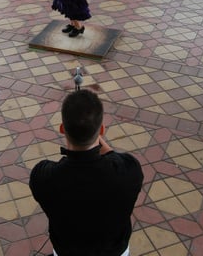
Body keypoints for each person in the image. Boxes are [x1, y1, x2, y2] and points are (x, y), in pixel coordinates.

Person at [29, 89, 144, 256]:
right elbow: (114, 157)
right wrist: (93, 135)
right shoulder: (129, 170)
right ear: (102, 129)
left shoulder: (43, 177)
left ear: (62, 128)